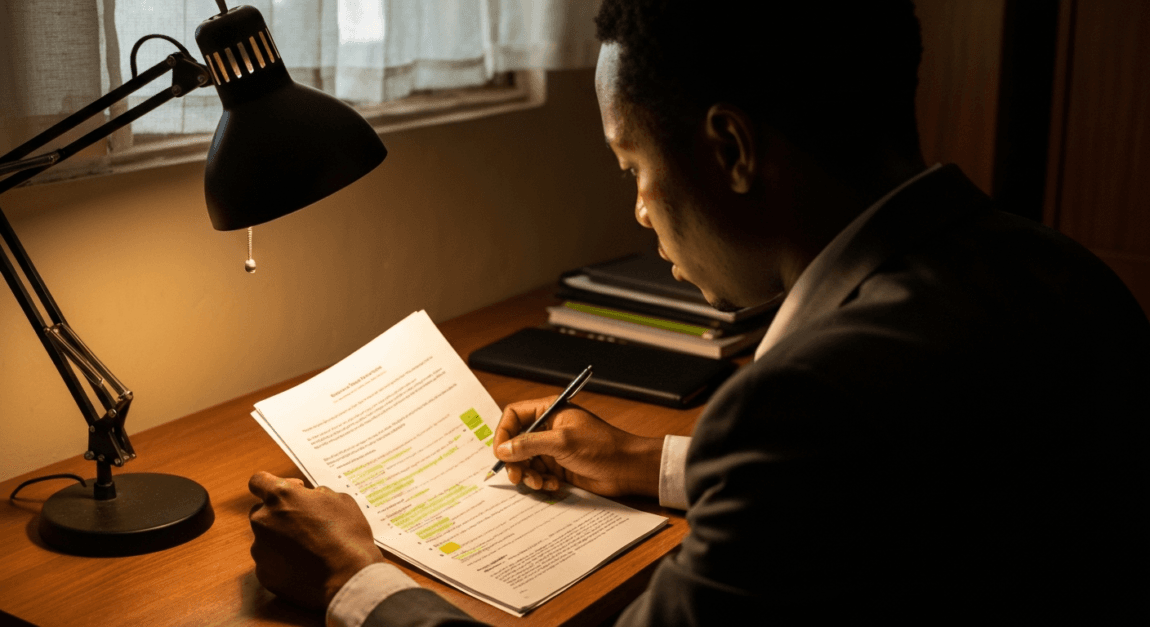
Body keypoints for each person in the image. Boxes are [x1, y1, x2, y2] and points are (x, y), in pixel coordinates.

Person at [247, 1, 1150, 624]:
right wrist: (649, 460)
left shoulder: (807, 401)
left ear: (731, 147)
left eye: (634, 165)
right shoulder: (1065, 272)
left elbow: (827, 454)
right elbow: (902, 481)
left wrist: (354, 578)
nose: (640, 210)